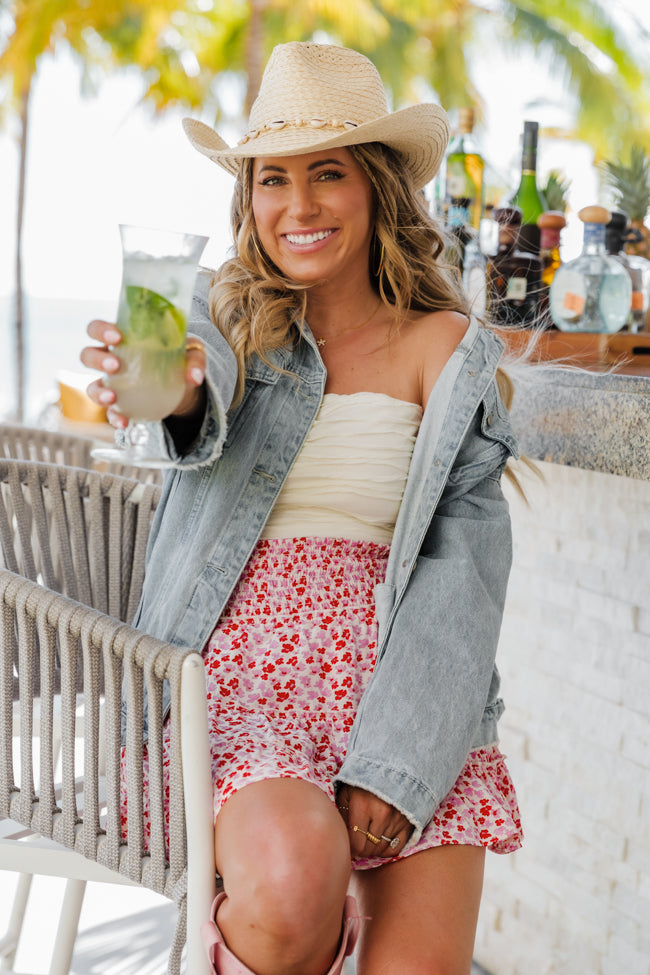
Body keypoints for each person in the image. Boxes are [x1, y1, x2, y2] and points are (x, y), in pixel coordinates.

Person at [82, 41, 522, 975]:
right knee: (288, 881)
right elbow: (194, 394)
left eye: (329, 174)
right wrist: (165, 391)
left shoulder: (448, 350)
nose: (301, 205)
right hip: (238, 691)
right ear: (249, 200)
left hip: (406, 689)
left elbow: (469, 563)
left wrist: (399, 756)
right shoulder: (222, 314)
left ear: (378, 189)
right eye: (272, 179)